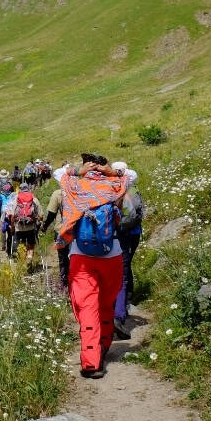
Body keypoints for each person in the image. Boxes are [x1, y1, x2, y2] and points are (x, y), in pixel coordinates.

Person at [55, 153, 128, 379]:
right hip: (112, 254)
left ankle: (91, 361)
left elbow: (59, 172)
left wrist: (79, 170)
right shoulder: (115, 185)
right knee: (106, 304)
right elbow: (131, 174)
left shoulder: (75, 185)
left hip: (81, 256)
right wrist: (110, 171)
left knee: (87, 308)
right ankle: (103, 346)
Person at [111, 161, 143, 340]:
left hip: (113, 237)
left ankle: (116, 312)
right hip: (129, 234)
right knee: (123, 271)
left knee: (117, 274)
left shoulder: (108, 190)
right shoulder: (132, 190)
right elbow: (136, 214)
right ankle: (122, 310)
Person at [8, 182, 42, 270]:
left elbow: (12, 216)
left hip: (19, 227)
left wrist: (12, 228)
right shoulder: (34, 199)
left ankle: (23, 265)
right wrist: (38, 222)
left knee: (22, 245)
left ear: (20, 189)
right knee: (31, 245)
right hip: (31, 227)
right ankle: (29, 257)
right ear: (28, 189)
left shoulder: (16, 199)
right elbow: (40, 215)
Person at [41, 183, 69, 290]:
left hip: (61, 230)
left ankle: (64, 283)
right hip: (78, 231)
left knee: (62, 258)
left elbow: (51, 215)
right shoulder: (80, 192)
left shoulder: (58, 194)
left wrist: (44, 226)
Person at [0, 182, 16, 255]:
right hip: (12, 215)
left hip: (3, 216)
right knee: (11, 232)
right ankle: (11, 247)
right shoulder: (13, 195)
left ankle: (3, 245)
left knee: (3, 230)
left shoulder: (0, 196)